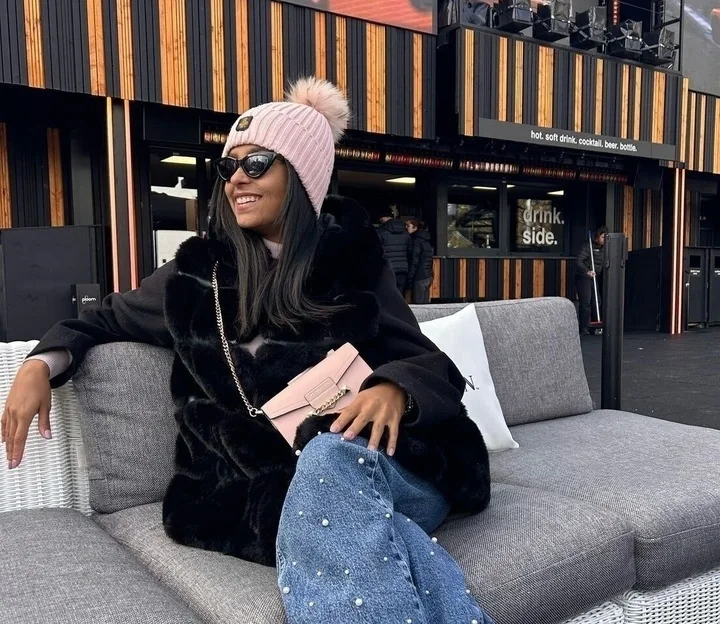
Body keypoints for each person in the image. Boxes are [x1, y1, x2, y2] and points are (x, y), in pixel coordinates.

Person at [2, 78, 494, 624]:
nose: (237, 178)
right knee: (359, 518)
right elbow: (101, 317)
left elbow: (427, 361)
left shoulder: (351, 262)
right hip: (250, 492)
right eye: (228, 167)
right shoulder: (196, 278)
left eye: (257, 164)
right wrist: (40, 364)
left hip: (388, 466)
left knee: (330, 456)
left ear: (301, 177)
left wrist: (394, 388)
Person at [575, 226, 608, 335]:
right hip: (583, 277)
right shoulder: (588, 246)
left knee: (597, 302)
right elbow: (579, 261)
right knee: (586, 302)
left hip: (594, 277)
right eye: (602, 237)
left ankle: (594, 327)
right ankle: (583, 328)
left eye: (606, 238)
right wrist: (587, 271)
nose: (604, 240)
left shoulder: (606, 248)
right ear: (598, 236)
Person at [378, 210, 412, 293]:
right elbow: (410, 251)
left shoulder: (381, 232)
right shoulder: (405, 233)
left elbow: (377, 251)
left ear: (387, 217)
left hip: (388, 269)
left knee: (387, 293)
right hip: (402, 269)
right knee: (399, 293)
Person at [406, 219, 434, 305]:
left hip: (419, 275)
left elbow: (414, 261)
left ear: (415, 228)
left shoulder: (416, 241)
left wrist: (410, 278)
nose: (406, 228)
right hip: (428, 274)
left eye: (408, 226)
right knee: (425, 304)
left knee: (418, 304)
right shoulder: (426, 240)